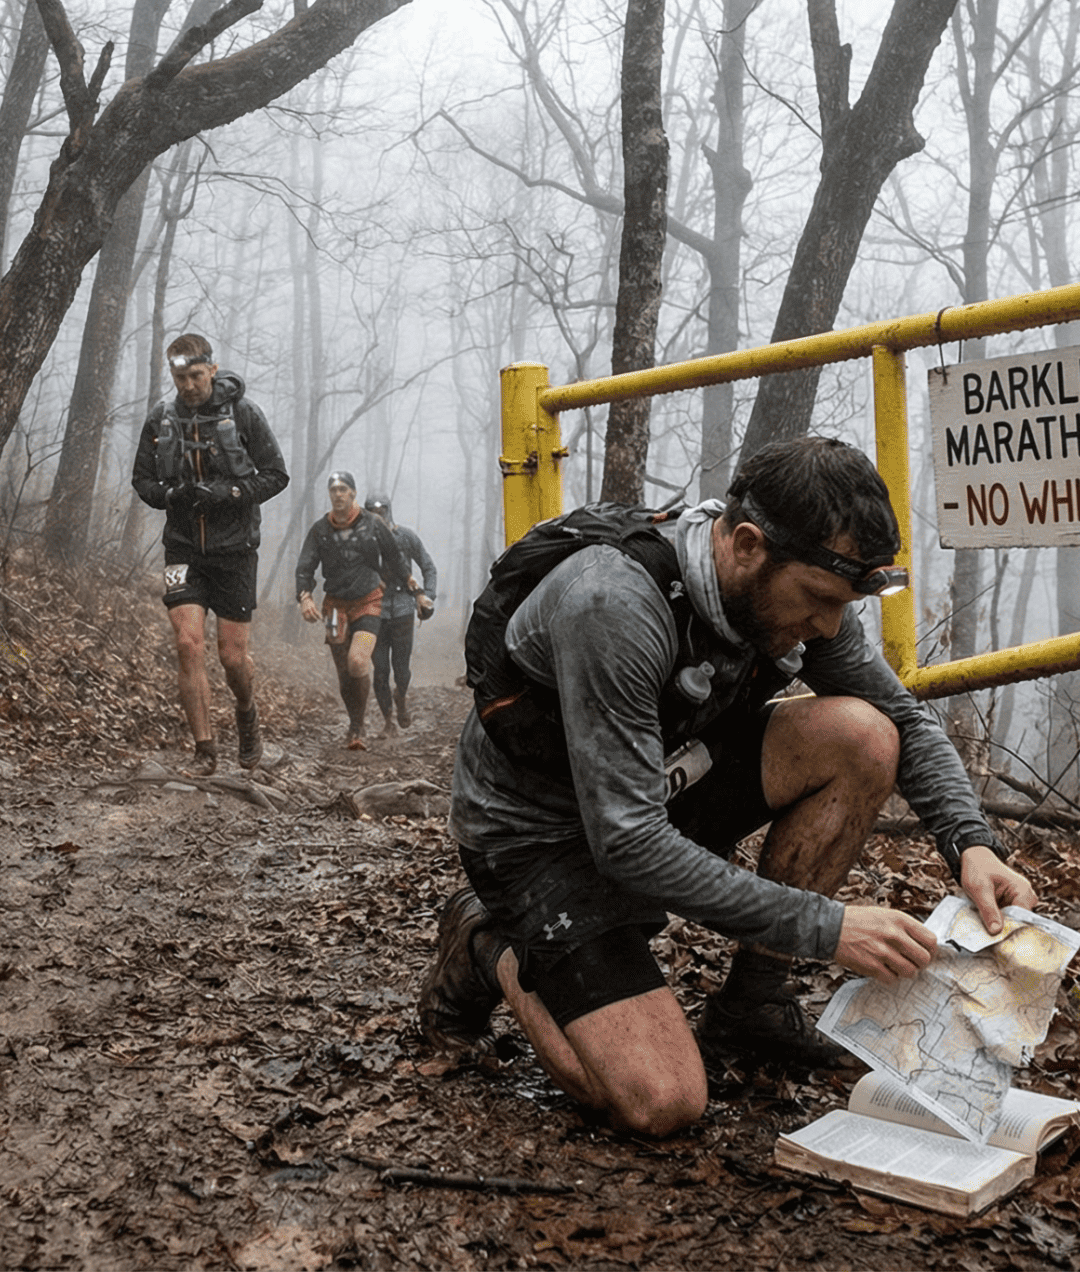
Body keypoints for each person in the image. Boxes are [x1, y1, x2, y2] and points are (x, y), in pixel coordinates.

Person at [416, 435, 1037, 1137]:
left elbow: (903, 718)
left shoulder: (789, 580)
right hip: (540, 837)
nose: (830, 625)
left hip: (659, 782)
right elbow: (629, 843)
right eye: (817, 600)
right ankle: (487, 937)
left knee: (866, 736)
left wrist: (972, 843)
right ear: (745, 544)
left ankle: (754, 1005)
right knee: (663, 1099)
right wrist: (827, 927)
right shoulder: (612, 604)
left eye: (842, 603)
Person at [131, 333, 290, 777]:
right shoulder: (161, 419)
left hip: (235, 550)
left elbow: (277, 475)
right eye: (179, 377)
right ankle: (204, 751)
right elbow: (142, 480)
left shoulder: (243, 414)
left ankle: (245, 710)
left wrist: (230, 492)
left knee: (232, 658)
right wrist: (170, 495)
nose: (187, 385)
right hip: (183, 548)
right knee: (187, 643)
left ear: (212, 370)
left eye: (195, 375)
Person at [295, 472, 410, 750]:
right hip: (335, 606)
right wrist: (305, 596)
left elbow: (394, 557)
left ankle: (359, 727)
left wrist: (412, 588)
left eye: (343, 489)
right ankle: (355, 724)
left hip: (368, 601)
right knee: (344, 673)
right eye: (333, 489)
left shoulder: (373, 524)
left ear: (354, 493)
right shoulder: (320, 529)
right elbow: (305, 567)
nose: (338, 494)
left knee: (358, 661)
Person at [363, 495, 438, 731]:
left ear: (388, 511)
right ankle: (388, 720)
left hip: (404, 606)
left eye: (381, 510)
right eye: (371, 510)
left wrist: (428, 597)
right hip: (375, 610)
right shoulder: (362, 542)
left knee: (401, 669)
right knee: (380, 670)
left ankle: (401, 699)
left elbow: (428, 566)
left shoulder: (405, 537)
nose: (377, 514)